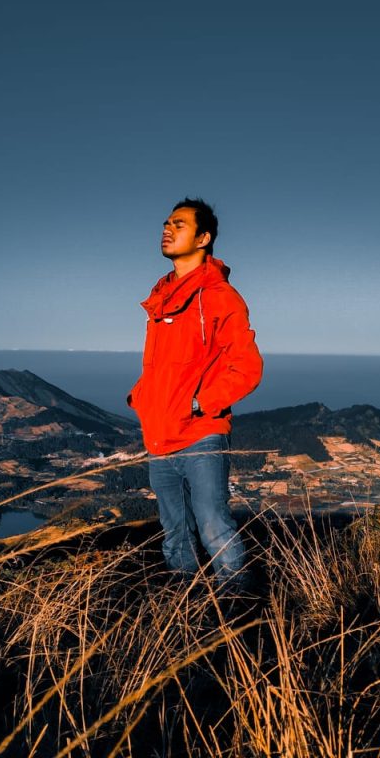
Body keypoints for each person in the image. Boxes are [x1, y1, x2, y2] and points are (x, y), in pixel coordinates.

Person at [127, 198, 263, 584]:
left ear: (203, 238)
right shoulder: (161, 298)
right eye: (167, 222)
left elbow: (248, 368)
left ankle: (242, 614)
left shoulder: (220, 297)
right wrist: (142, 396)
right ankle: (187, 617)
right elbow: (161, 367)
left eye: (180, 224)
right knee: (175, 535)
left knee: (215, 529)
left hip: (201, 435)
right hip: (159, 437)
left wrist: (200, 402)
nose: (167, 228)